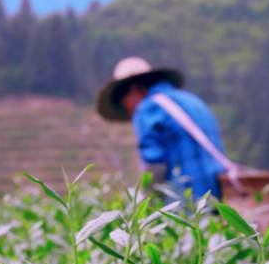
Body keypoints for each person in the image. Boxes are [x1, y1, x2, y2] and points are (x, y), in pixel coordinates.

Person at [96, 57, 227, 198]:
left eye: (123, 102)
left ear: (132, 89)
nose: (128, 110)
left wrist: (148, 204)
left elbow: (155, 166)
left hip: (186, 197)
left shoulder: (148, 108)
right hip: (219, 191)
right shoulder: (193, 101)